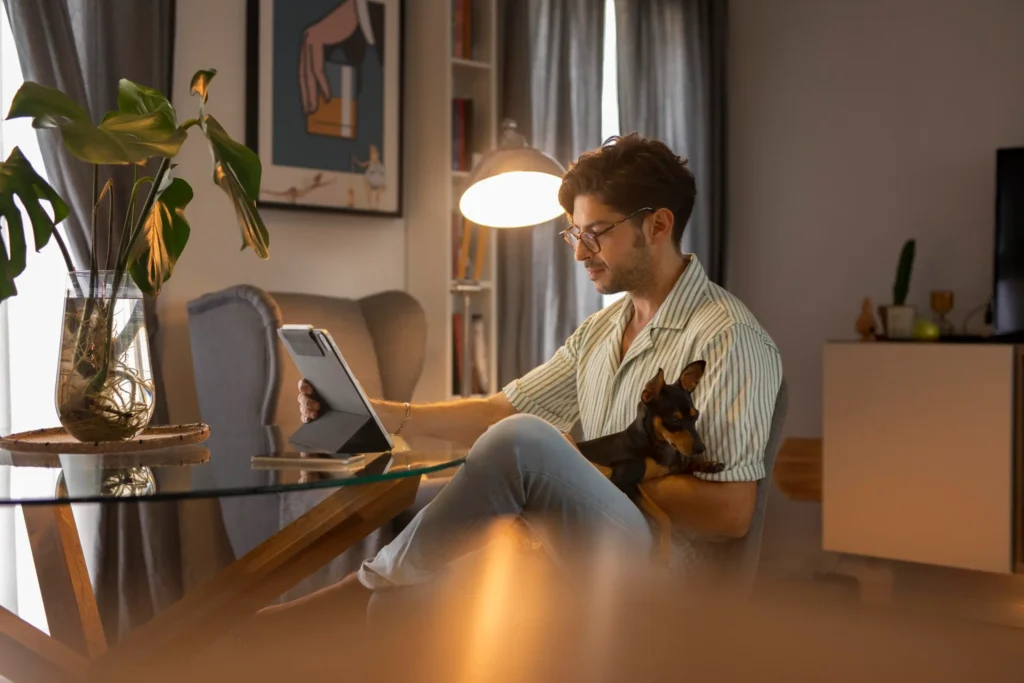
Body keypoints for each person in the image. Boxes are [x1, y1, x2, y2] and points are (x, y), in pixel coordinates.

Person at [255, 133, 782, 641]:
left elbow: (732, 513)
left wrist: (586, 471)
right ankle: (354, 599)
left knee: (525, 441)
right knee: (403, 579)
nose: (580, 253)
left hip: (671, 576)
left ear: (658, 225)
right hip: (577, 546)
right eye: (575, 234)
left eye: (596, 233)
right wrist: (378, 411)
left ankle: (351, 590)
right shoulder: (602, 331)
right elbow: (497, 409)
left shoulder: (727, 337)